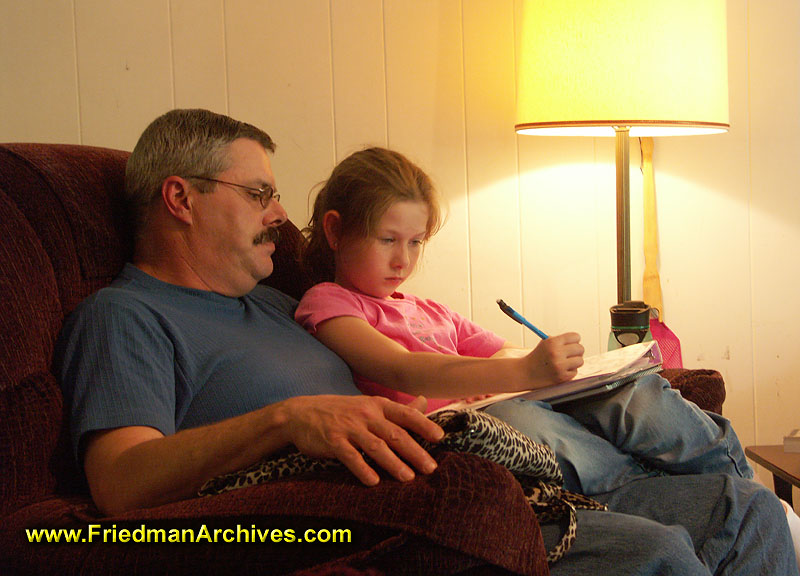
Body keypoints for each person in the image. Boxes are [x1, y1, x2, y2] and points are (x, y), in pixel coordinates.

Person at [54, 109, 797, 574]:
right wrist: (285, 420)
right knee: (660, 555)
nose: (281, 215)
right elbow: (120, 484)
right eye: (258, 194)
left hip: (499, 476)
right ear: (180, 198)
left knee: (747, 509)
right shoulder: (127, 316)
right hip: (410, 518)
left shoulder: (277, 307)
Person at [296, 146, 751, 496]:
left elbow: (504, 350)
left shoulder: (429, 309)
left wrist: (556, 368)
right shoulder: (329, 303)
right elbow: (400, 368)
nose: (403, 259)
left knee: (633, 392)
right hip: (456, 433)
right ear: (335, 231)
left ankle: (734, 478)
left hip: (500, 402)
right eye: (388, 239)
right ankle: (645, 490)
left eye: (416, 242)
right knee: (520, 417)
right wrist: (518, 373)